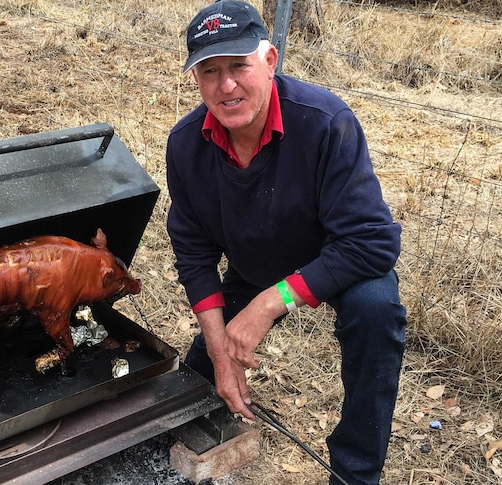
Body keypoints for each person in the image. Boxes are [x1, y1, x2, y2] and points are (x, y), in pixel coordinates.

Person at [165, 1, 407, 484]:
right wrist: (219, 351)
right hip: (255, 265)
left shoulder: (325, 122)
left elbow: (373, 243)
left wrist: (269, 305)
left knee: (377, 311)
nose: (226, 85)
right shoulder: (186, 143)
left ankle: (356, 471)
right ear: (196, 79)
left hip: (337, 261)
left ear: (270, 60)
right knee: (195, 379)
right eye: (209, 71)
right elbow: (193, 254)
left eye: (239, 66)